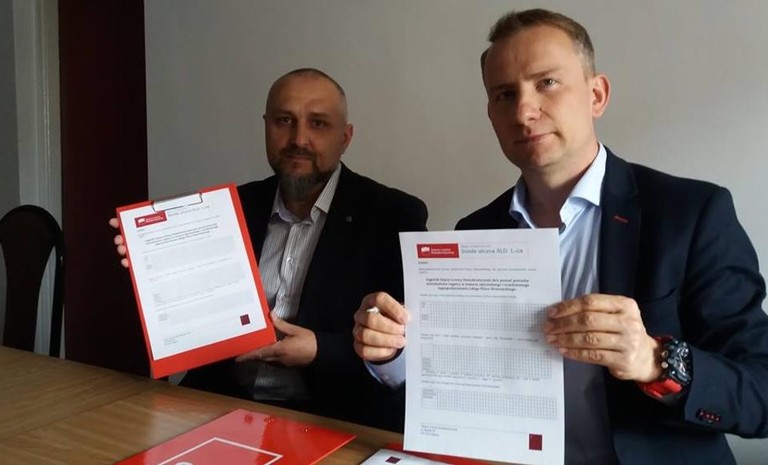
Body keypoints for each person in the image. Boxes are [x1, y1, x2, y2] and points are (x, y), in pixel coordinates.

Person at [352, 9, 768, 464]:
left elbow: (761, 393)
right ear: (491, 114)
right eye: (505, 94)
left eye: (547, 82)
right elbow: (459, 395)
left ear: (596, 95)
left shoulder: (690, 214)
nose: (524, 111)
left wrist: (655, 361)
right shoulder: (474, 233)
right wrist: (392, 355)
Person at [111, 68, 428, 431]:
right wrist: (156, 266)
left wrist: (319, 350)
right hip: (217, 409)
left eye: (318, 123)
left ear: (345, 137)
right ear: (266, 126)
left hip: (330, 420)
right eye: (284, 121)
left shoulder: (393, 216)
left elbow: (407, 344)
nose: (299, 139)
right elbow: (194, 316)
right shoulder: (230, 208)